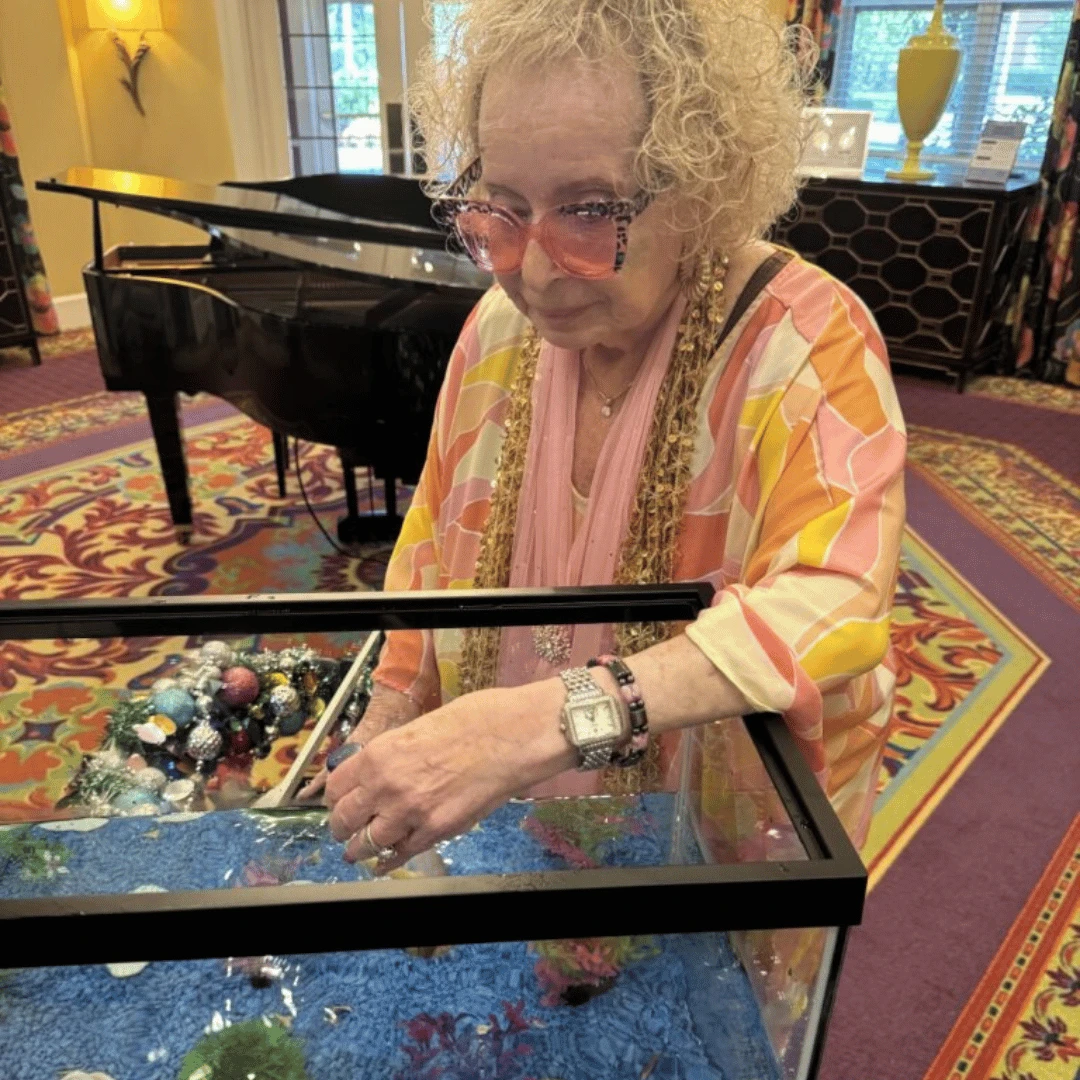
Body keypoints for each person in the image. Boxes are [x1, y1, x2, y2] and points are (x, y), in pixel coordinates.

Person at [302, 0, 906, 872]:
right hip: (509, 802)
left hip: (713, 827)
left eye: (588, 212)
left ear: (701, 187)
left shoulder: (805, 341)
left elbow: (838, 603)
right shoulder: (494, 335)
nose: (536, 271)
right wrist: (394, 708)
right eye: (501, 210)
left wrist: (548, 718)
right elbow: (430, 545)